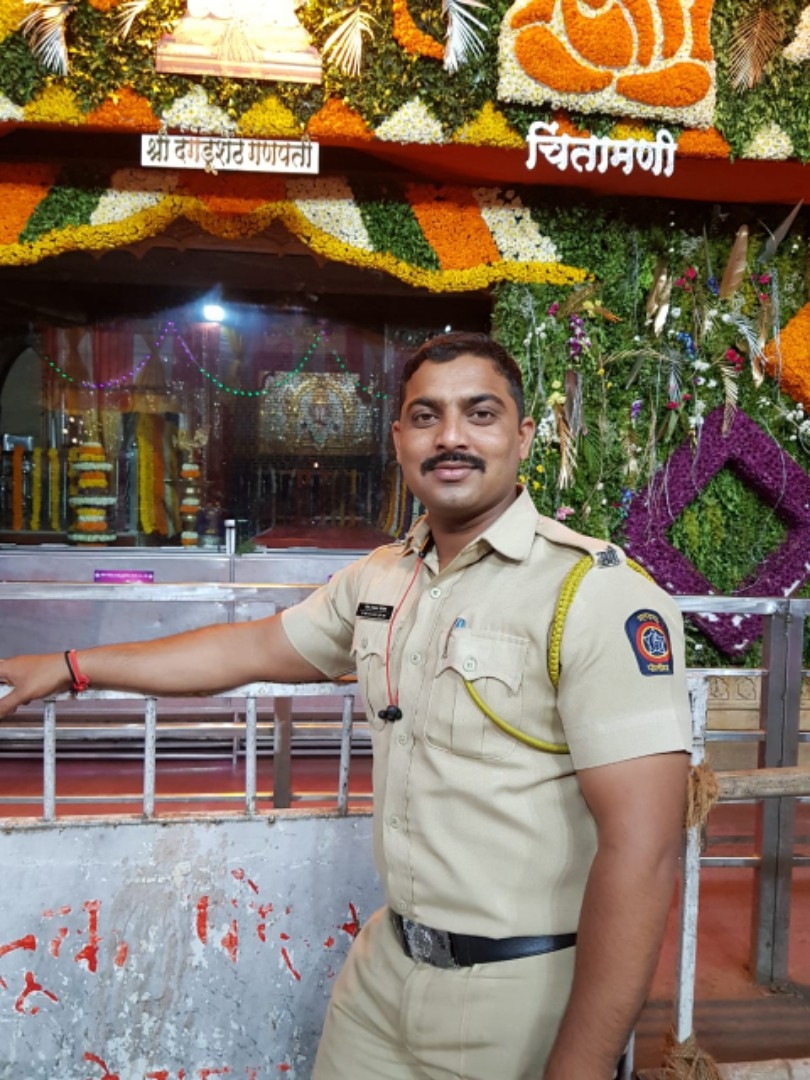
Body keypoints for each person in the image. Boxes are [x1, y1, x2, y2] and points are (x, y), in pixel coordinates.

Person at [0, 332, 692, 1079]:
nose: (450, 437)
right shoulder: (381, 579)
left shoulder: (594, 594)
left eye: (480, 414)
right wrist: (72, 667)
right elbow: (244, 650)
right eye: (426, 416)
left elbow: (644, 851)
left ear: (523, 436)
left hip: (521, 996)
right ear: (398, 441)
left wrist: (581, 1066)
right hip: (383, 977)